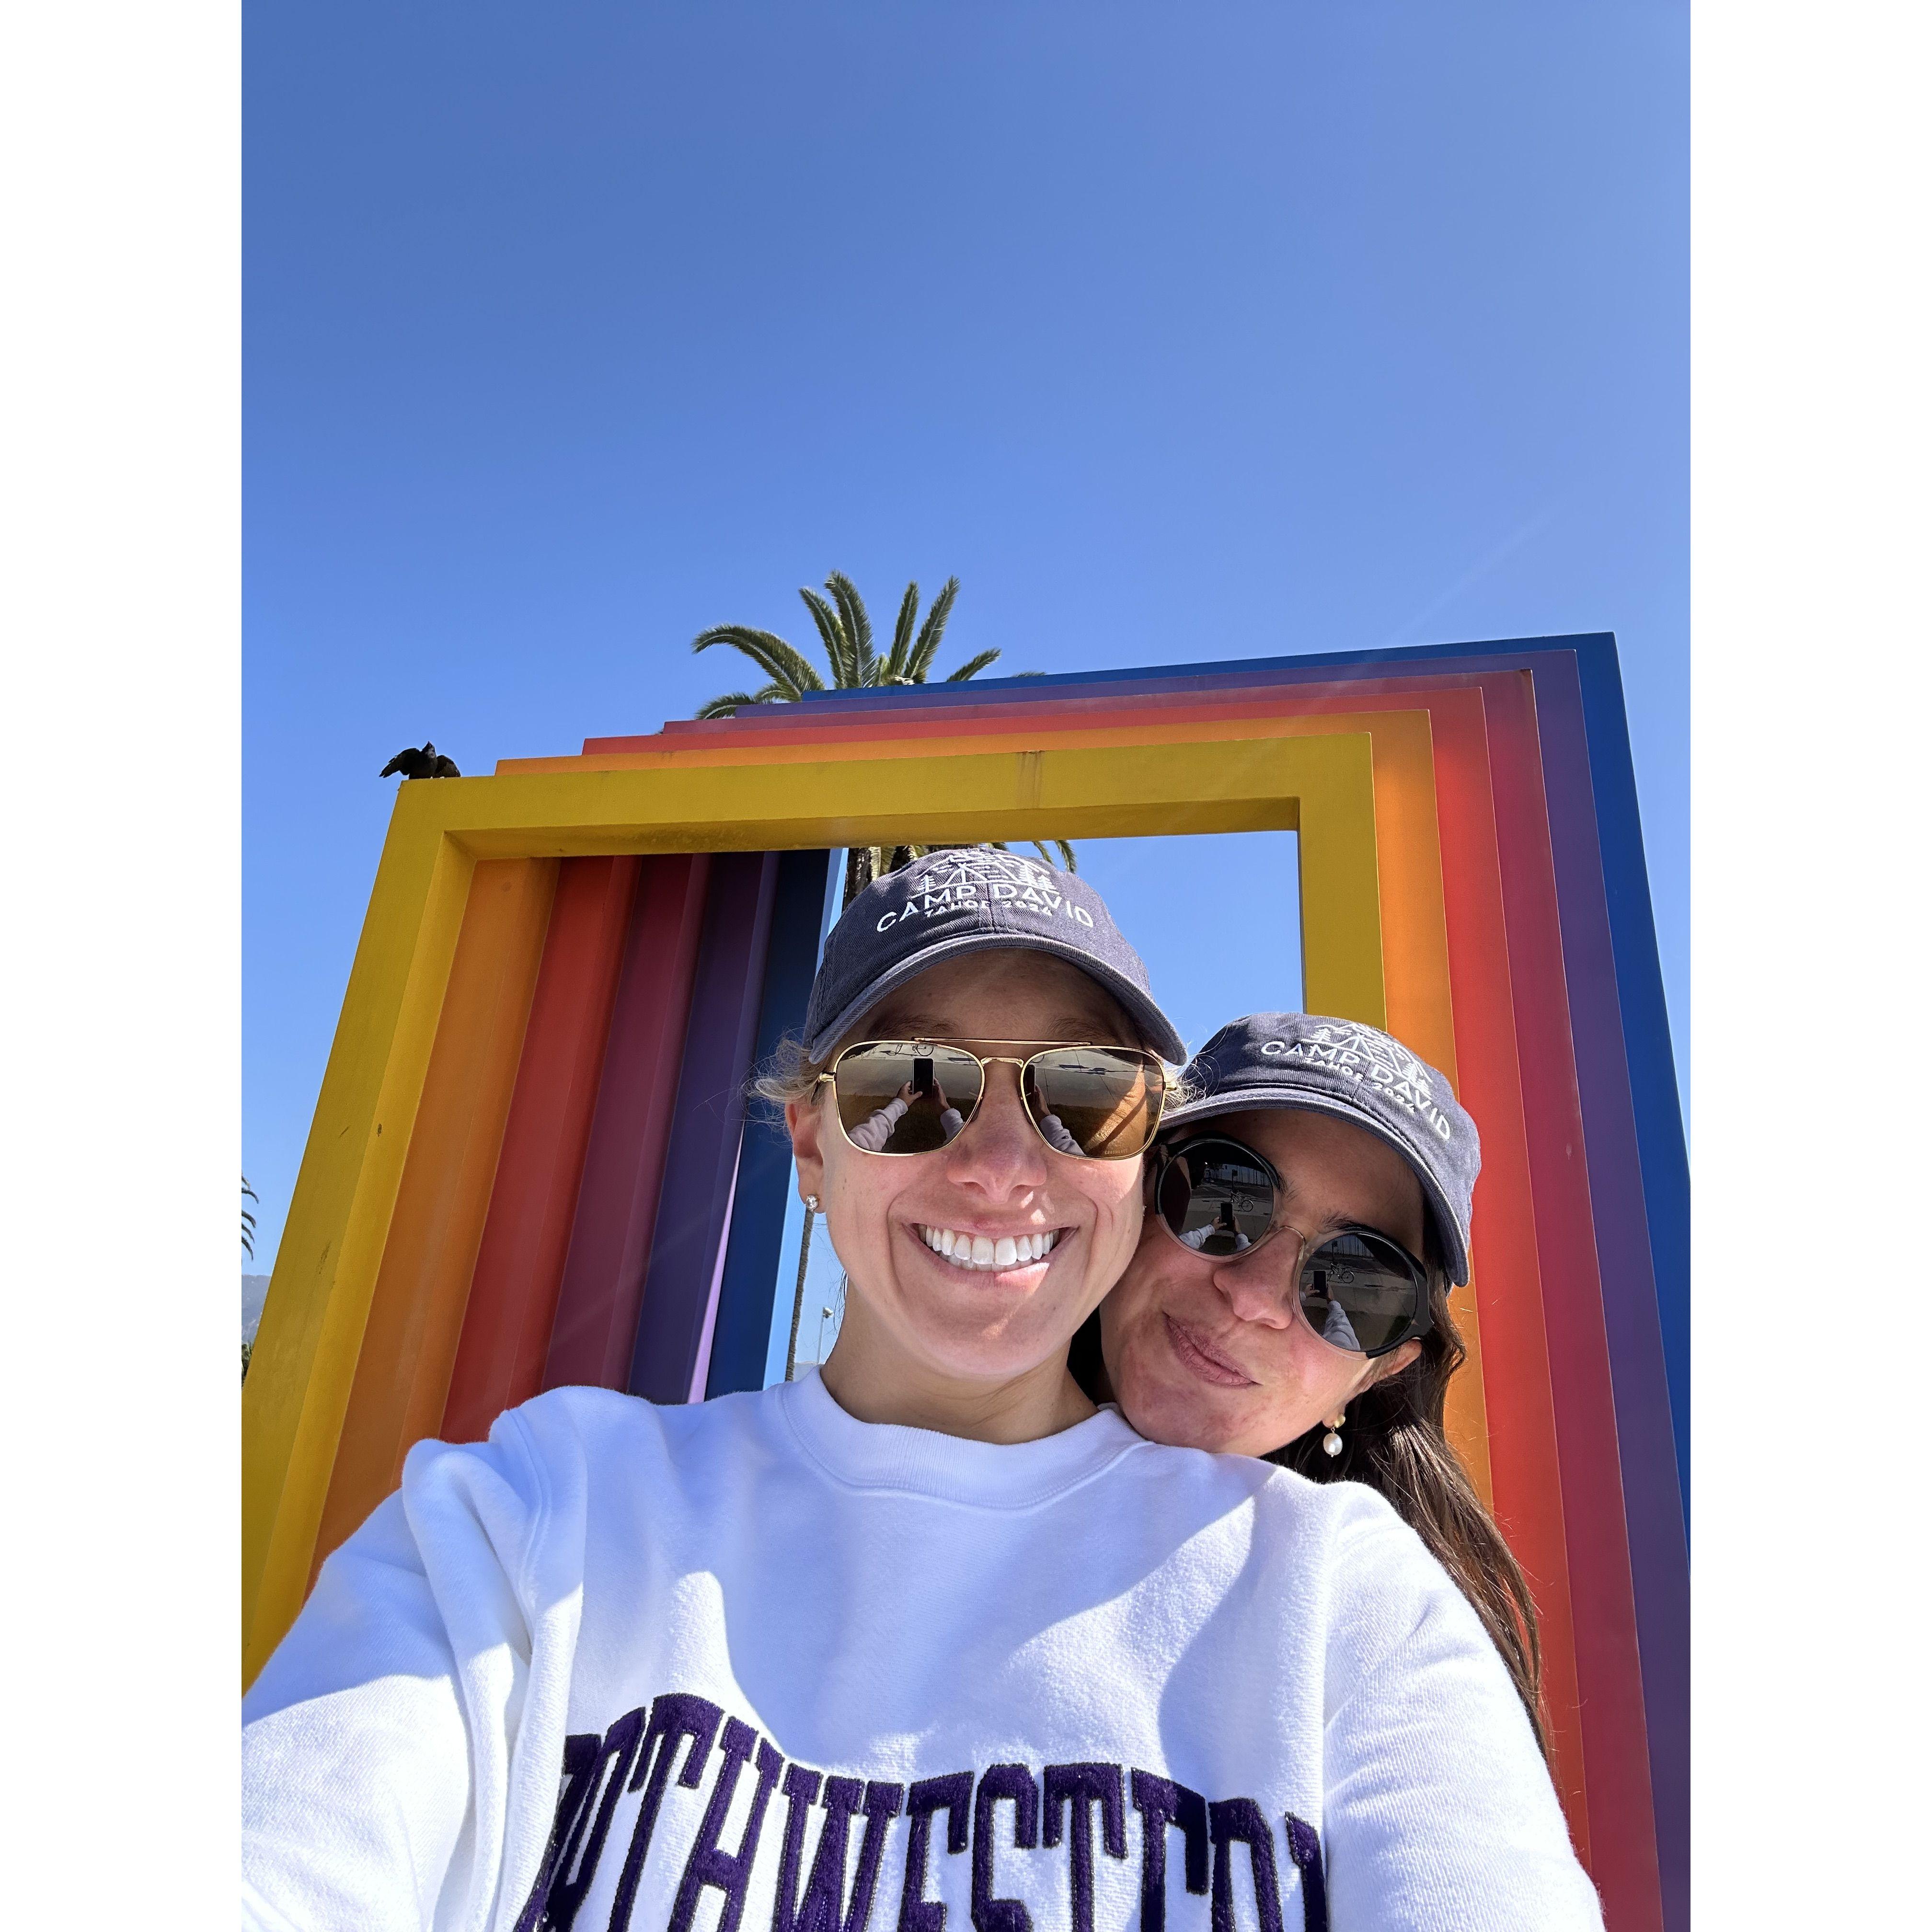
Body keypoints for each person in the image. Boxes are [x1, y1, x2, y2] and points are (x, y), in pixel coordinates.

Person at [243, 851, 1601, 1932]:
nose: (1005, 1164)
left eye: (1082, 1098)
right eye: (910, 1090)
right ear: (810, 1142)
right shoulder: (539, 1512)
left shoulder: (1345, 1596)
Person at [1080, 1012, 1547, 1751]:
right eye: (1222, 1198)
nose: (1256, 1297)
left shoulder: (1384, 1625)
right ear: (1135, 1192)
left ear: (1380, 1371)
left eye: (1358, 1283)